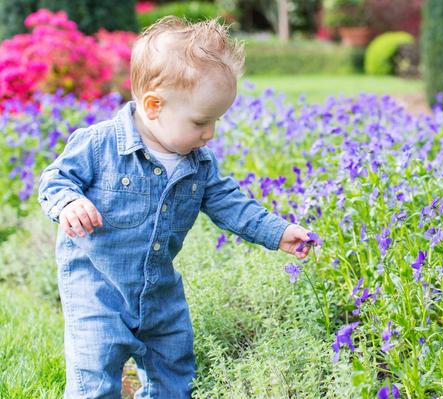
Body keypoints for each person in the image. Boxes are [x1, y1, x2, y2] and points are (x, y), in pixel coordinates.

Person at [38, 16, 313, 398]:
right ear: (154, 105)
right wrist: (69, 203)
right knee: (95, 379)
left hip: (160, 292)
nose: (211, 133)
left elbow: (230, 203)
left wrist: (277, 231)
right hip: (97, 289)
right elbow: (55, 180)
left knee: (175, 373)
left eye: (216, 120)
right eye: (202, 121)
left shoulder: (198, 163)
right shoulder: (99, 144)